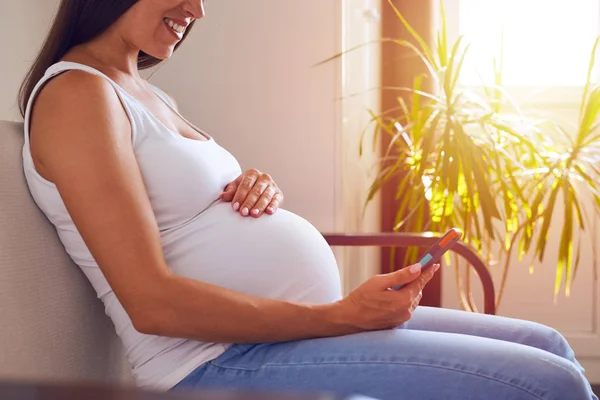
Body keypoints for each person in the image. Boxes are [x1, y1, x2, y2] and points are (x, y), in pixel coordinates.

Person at [18, 1, 597, 399]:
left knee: (547, 342)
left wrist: (254, 183)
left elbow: (183, 208)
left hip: (280, 339)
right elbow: (151, 302)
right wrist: (340, 317)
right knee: (554, 384)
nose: (198, 11)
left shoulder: (142, 91)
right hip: (213, 365)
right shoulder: (76, 94)